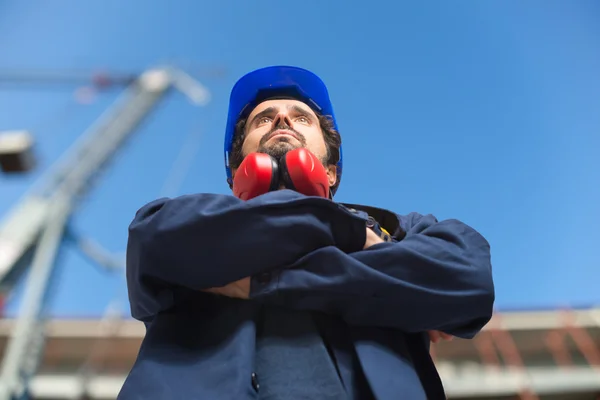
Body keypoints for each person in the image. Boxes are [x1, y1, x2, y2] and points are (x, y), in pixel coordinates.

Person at [118, 66, 495, 400]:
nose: (282, 120)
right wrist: (358, 241)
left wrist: (264, 281)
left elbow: (468, 278)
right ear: (238, 172)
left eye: (301, 117)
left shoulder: (399, 227)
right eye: (263, 120)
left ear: (330, 172)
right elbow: (154, 242)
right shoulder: (178, 218)